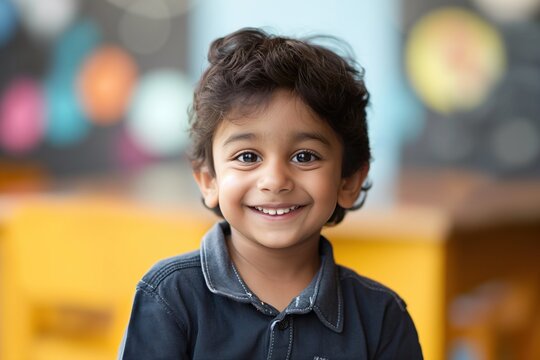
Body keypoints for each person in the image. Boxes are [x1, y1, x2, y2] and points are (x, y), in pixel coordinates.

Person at [119, 27, 423, 359]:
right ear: (209, 181)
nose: (275, 180)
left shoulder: (381, 318)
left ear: (347, 181)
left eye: (304, 156)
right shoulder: (169, 296)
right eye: (248, 157)